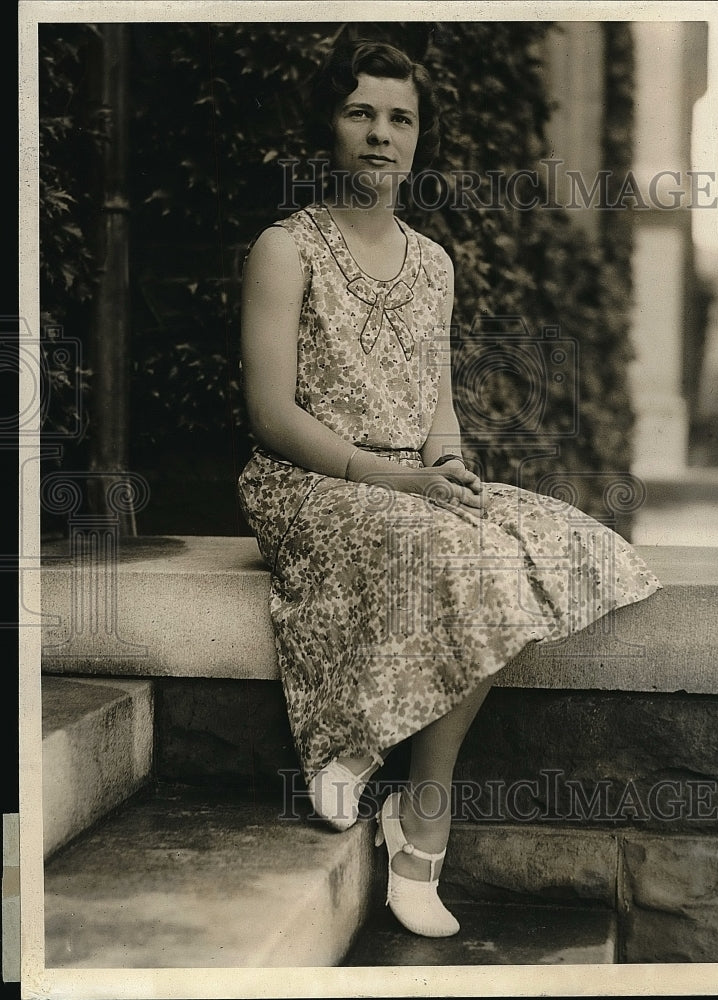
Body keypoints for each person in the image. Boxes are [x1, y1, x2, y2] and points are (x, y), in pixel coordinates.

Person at [238, 38, 661, 939]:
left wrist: (449, 468)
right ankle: (381, 769)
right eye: (361, 113)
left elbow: (438, 411)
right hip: (309, 479)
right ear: (329, 126)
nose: (380, 136)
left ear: (420, 139)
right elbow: (272, 415)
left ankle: (408, 798)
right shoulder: (286, 249)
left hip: (406, 481)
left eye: (400, 119)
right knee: (444, 542)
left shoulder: (435, 264)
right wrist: (395, 479)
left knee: (547, 538)